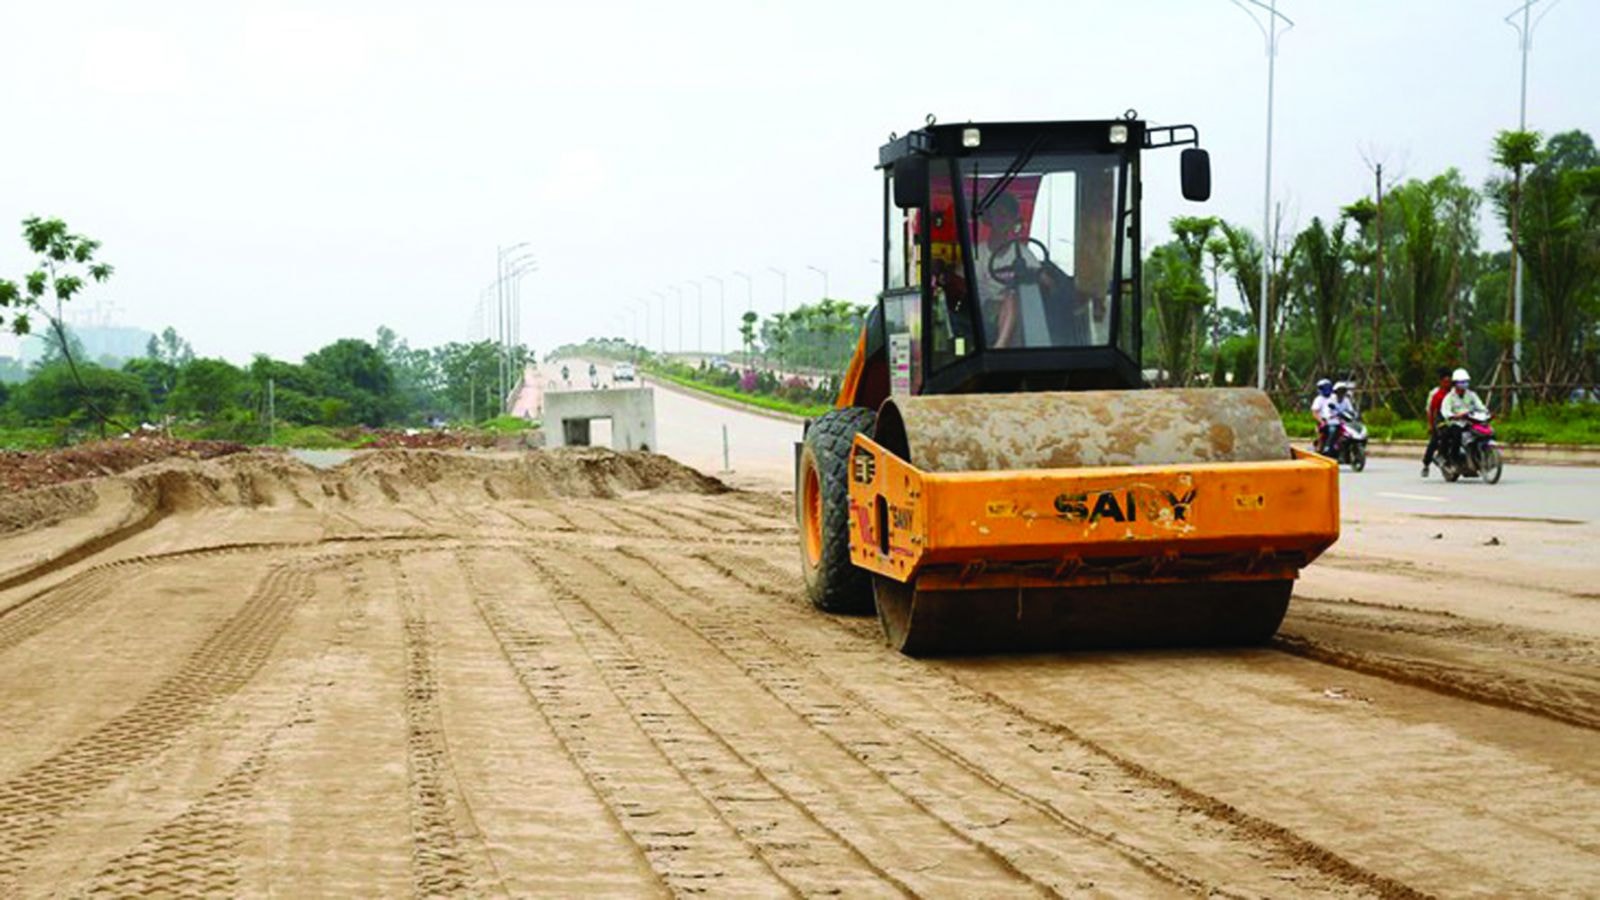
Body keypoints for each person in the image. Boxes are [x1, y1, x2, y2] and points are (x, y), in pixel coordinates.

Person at [1438, 368, 1489, 465]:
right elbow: (1445, 411)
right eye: (1461, 382)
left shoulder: (1471, 395)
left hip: (1470, 422)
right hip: (1455, 423)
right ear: (1455, 383)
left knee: (1484, 432)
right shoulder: (1449, 397)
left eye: (1466, 382)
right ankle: (1454, 457)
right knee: (1457, 435)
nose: (1464, 384)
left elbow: (1480, 406)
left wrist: (1486, 412)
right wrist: (1455, 416)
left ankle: (1478, 454)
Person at [1421, 366, 1452, 477]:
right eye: (1446, 381)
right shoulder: (1435, 394)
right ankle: (1426, 463)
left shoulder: (1454, 392)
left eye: (1450, 381)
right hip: (1439, 419)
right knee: (1435, 440)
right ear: (1441, 381)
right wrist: (1431, 425)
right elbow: (1431, 410)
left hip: (1452, 418)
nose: (1448, 384)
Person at [1310, 378, 1335, 454]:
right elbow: (1315, 412)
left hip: (1335, 420)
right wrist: (1321, 421)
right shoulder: (1318, 399)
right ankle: (1319, 449)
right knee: (1322, 434)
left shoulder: (1334, 397)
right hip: (1324, 421)